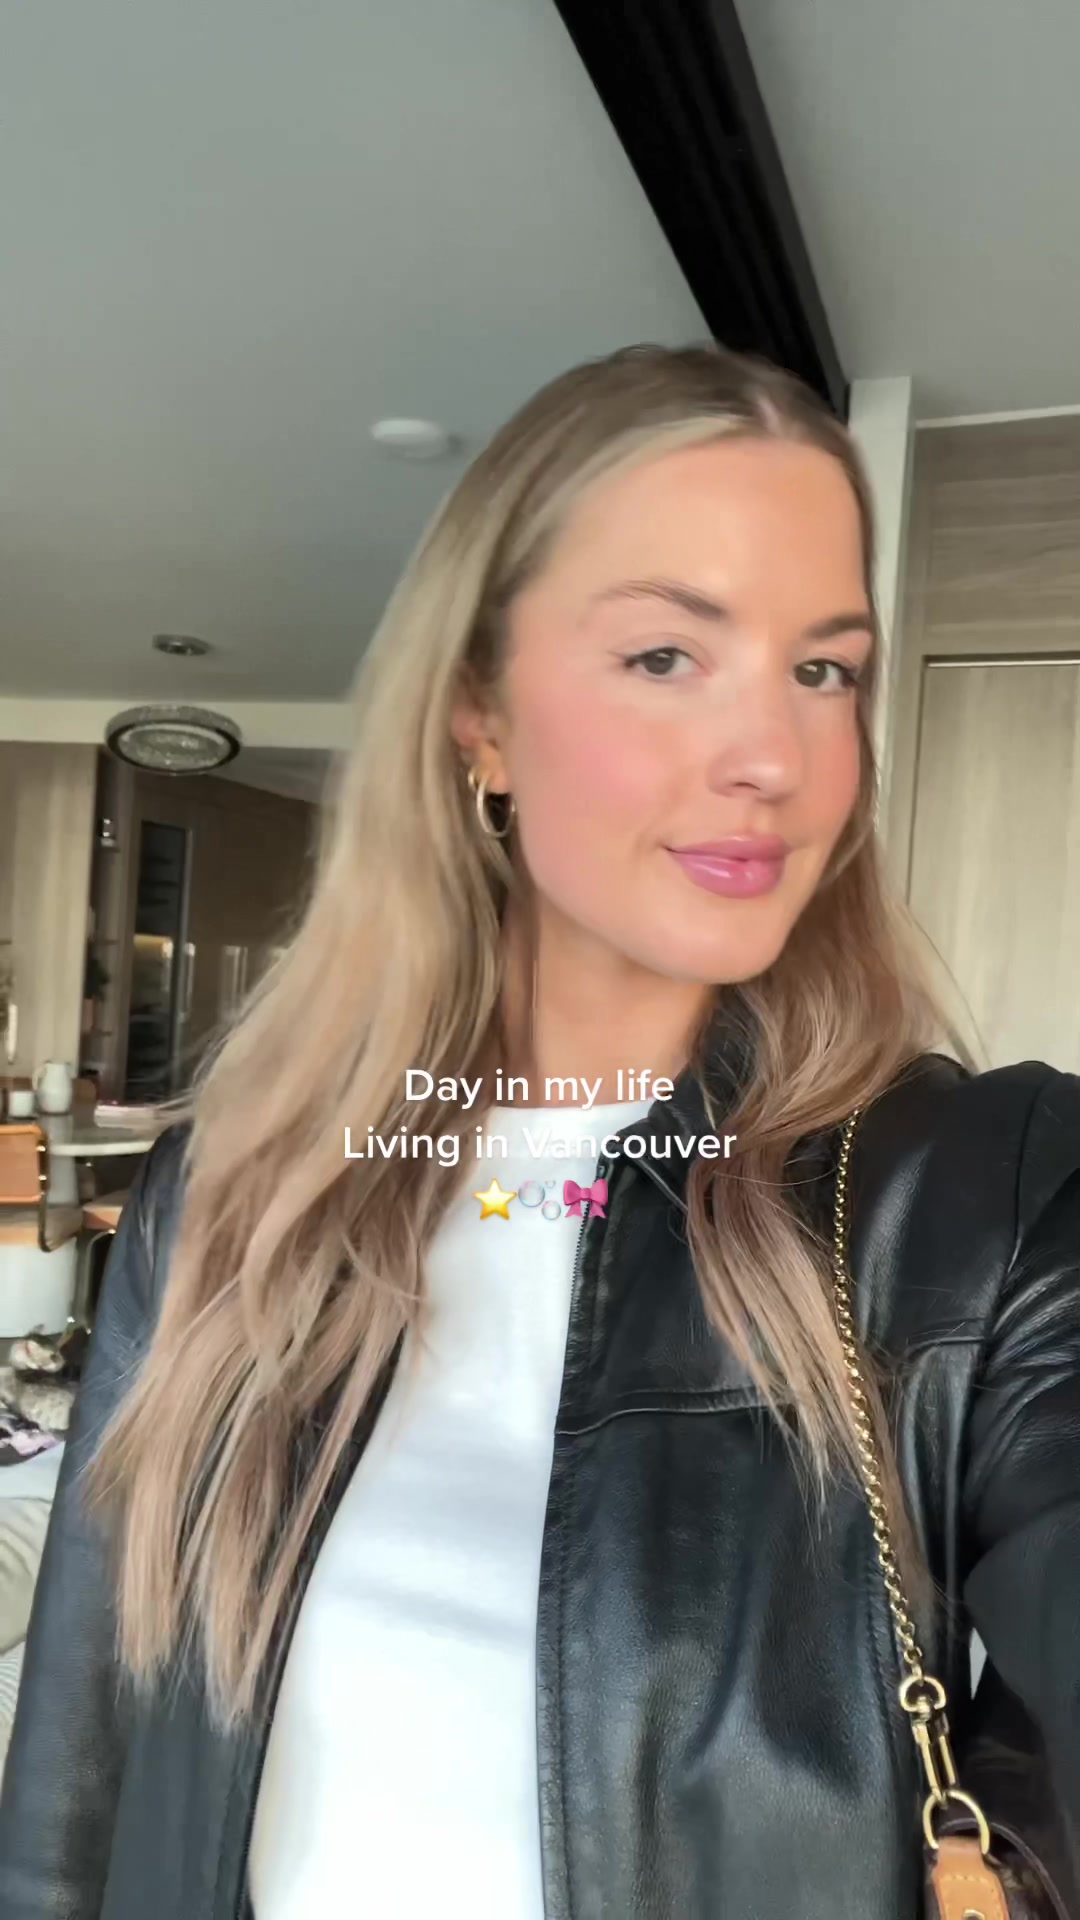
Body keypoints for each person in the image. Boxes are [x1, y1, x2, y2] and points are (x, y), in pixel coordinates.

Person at [1, 344, 1077, 1920]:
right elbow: (76, 1781)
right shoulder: (232, 1189)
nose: (775, 758)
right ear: (481, 721)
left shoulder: (976, 1193)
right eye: (667, 655)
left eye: (823, 670)